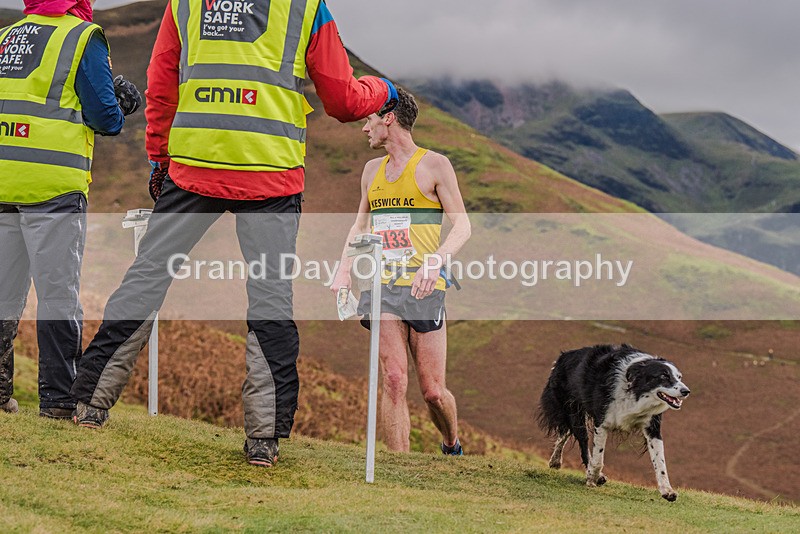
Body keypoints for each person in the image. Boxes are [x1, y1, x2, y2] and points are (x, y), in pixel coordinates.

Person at [69, 0, 398, 469]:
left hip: (193, 167)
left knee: (146, 279)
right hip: (271, 175)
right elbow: (343, 101)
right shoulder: (305, 6)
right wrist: (383, 89)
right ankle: (263, 439)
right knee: (270, 299)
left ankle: (89, 404)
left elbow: (161, 83)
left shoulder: (184, 3)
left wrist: (160, 158)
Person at [0, 0, 140, 418]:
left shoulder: (6, 37)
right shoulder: (82, 37)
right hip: (52, 186)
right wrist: (122, 101)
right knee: (58, 294)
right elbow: (105, 117)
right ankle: (58, 400)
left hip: (3, 180)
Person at [331, 88, 471, 454]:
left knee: (433, 392)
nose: (365, 128)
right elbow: (360, 226)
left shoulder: (435, 165)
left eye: (369, 120)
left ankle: (451, 443)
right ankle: (399, 468)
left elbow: (462, 226)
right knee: (393, 378)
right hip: (381, 286)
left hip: (424, 287)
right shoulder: (371, 171)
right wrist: (344, 270)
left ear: (389, 119)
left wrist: (436, 260)